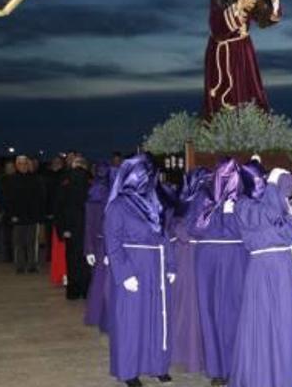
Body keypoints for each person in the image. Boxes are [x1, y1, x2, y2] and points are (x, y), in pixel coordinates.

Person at [229, 168, 292, 387]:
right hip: (264, 268)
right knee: (261, 323)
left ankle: (281, 375)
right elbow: (270, 216)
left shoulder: (279, 206)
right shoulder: (245, 206)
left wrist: (291, 206)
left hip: (282, 270)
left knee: (283, 321)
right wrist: (275, 191)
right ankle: (260, 376)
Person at [104, 155, 174, 387]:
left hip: (156, 265)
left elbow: (164, 235)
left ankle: (157, 364)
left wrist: (171, 265)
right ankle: (128, 369)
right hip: (133, 266)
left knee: (157, 315)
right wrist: (124, 274)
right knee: (131, 319)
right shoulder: (118, 206)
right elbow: (112, 242)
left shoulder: (154, 201)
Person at [202, 0, 281, 117]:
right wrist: (238, 9)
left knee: (248, 91)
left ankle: (252, 129)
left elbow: (265, 20)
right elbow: (216, 27)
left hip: (243, 52)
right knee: (219, 100)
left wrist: (271, 0)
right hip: (219, 52)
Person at [188, 159, 248, 386]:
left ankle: (236, 365)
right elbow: (193, 227)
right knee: (210, 310)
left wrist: (232, 213)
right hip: (209, 257)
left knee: (234, 310)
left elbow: (247, 229)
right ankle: (216, 369)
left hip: (235, 256)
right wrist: (211, 211)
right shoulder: (202, 197)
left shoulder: (243, 197)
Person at [169, 167, 210, 373]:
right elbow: (187, 229)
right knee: (192, 301)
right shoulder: (202, 198)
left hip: (185, 253)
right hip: (191, 254)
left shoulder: (184, 199)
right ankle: (193, 352)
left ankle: (185, 350)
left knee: (186, 301)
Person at [0, 156, 44, 273]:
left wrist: (38, 214)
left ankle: (32, 265)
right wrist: (11, 215)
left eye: (24, 163)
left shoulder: (35, 179)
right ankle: (19, 266)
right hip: (17, 217)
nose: (23, 166)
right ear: (16, 165)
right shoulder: (11, 180)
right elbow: (7, 199)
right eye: (20, 164)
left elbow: (40, 198)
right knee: (18, 243)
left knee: (31, 243)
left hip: (32, 217)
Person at [84, 162, 113, 330]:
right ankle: (100, 314)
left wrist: (88, 247)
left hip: (100, 240)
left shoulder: (94, 193)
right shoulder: (111, 194)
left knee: (100, 279)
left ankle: (97, 313)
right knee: (103, 279)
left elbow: (89, 224)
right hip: (104, 241)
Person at [58, 156, 91, 299]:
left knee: (72, 259)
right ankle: (86, 290)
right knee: (86, 259)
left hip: (70, 228)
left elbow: (59, 207)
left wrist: (62, 228)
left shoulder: (65, 183)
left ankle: (73, 291)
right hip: (86, 227)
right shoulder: (91, 183)